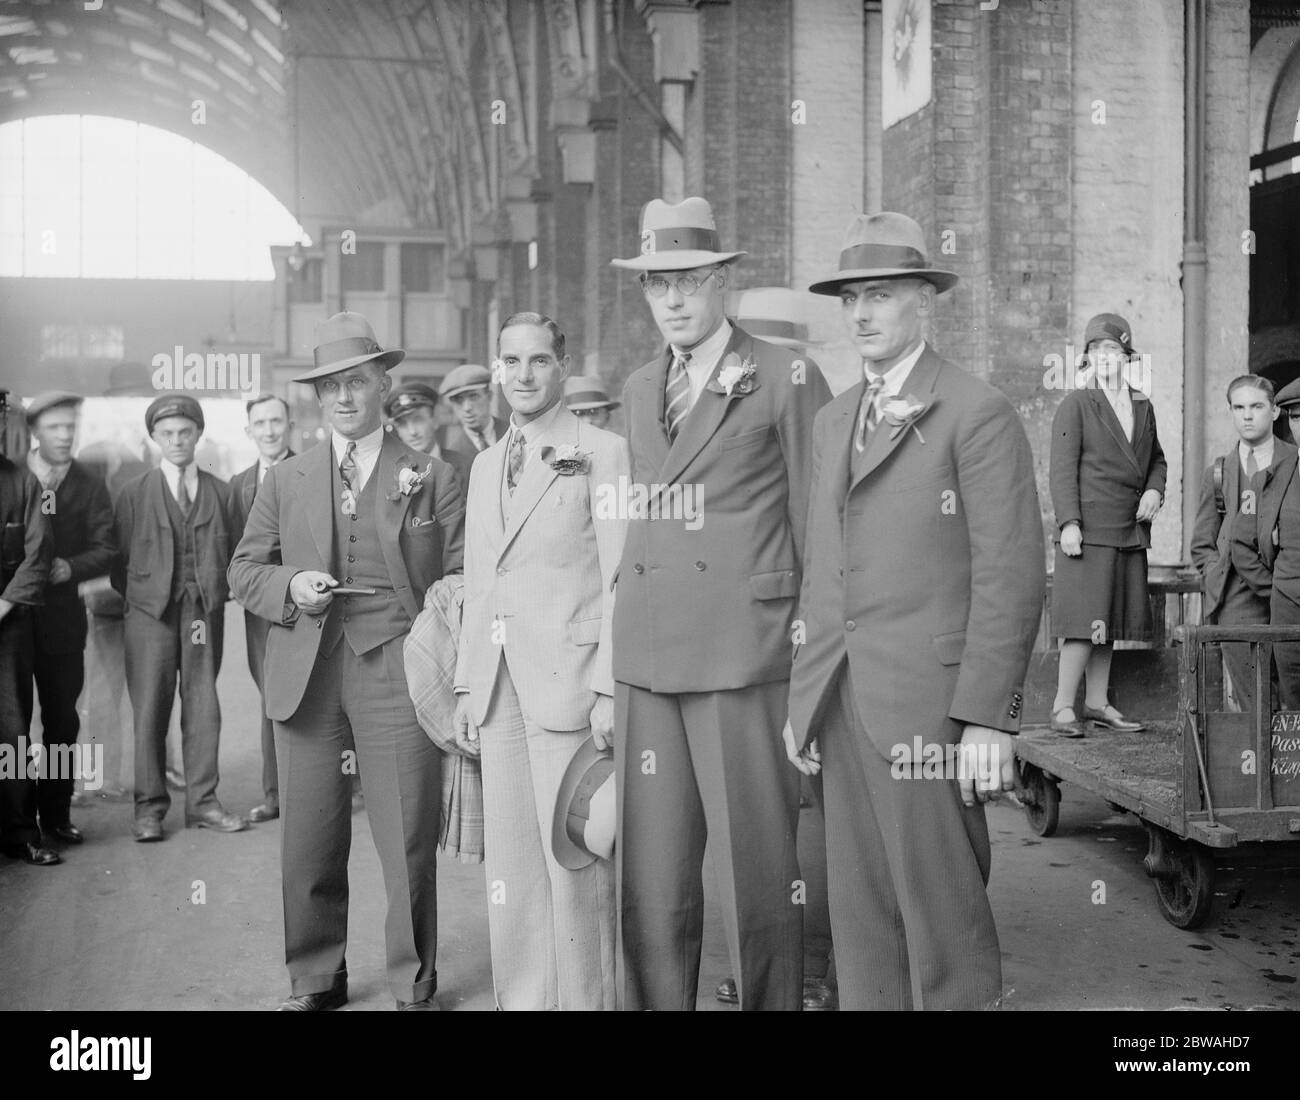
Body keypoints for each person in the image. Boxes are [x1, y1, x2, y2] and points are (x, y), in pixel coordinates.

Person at [785, 211, 1045, 1010]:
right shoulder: (833, 421)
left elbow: (1013, 574)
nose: (862, 313)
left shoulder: (975, 410)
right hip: (841, 707)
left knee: (944, 923)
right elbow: (822, 567)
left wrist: (991, 720)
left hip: (932, 713)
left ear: (922, 301)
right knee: (862, 925)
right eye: (851, 297)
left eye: (882, 295)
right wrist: (804, 699)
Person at [610, 196, 830, 1011]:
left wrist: (812, 670)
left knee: (757, 877)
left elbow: (820, 530)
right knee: (653, 875)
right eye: (656, 285)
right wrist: (611, 669)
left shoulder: (784, 375)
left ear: (720, 284)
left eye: (688, 281)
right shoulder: (639, 387)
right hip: (646, 655)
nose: (671, 301)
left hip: (746, 653)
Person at [228, 311, 465, 1011]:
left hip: (396, 668)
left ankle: (411, 980)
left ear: (381, 384)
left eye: (356, 381)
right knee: (308, 837)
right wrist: (291, 587)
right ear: (316, 395)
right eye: (329, 385)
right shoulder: (288, 478)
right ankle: (314, 977)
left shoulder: (433, 475)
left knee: (406, 837)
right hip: (307, 673)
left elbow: (460, 578)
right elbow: (244, 571)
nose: (342, 396)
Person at [452, 311, 628, 1010]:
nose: (523, 375)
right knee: (515, 868)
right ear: (498, 371)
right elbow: (479, 578)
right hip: (499, 687)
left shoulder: (601, 451)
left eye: (538, 362)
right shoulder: (488, 462)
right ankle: (524, 999)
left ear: (562, 367)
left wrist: (610, 686)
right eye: (511, 362)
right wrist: (467, 684)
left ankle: (588, 1002)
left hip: (570, 684)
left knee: (575, 860)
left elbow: (620, 573)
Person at [713, 284, 836, 1011]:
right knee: (759, 821)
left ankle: (818, 967)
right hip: (746, 643)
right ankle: (765, 964)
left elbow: (815, 524)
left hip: (797, 637)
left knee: (808, 813)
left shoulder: (797, 387)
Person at [112, 395, 245, 842]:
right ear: (154, 437)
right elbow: (119, 563)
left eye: (184, 432)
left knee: (204, 706)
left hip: (202, 612)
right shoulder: (132, 494)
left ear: (198, 435)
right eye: (167, 433)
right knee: (150, 708)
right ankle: (148, 808)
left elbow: (235, 554)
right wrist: (149, 594)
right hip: (149, 614)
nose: (176, 441)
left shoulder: (222, 492)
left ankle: (203, 802)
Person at [1048, 314, 1167, 736]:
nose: (1104, 358)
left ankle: (1097, 703)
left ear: (1126, 357)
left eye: (1112, 350)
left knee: (1108, 621)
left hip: (1128, 529)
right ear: (1087, 358)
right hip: (1089, 531)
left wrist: (1155, 490)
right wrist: (1069, 524)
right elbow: (1062, 470)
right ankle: (1064, 705)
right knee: (1083, 621)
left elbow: (1156, 460)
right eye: (1096, 350)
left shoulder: (1142, 404)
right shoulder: (1077, 404)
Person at [26, 392, 116, 845]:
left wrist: (70, 567)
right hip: (13, 624)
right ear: (34, 431)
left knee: (62, 720)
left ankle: (56, 816)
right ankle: (19, 823)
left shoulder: (89, 482)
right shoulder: (11, 477)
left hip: (62, 622)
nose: (64, 435)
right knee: (13, 724)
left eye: (70, 427)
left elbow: (106, 547)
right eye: (54, 427)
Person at [1190, 377, 1294, 715]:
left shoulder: (1294, 461)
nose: (1247, 416)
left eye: (1256, 406)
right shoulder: (1219, 472)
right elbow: (1202, 543)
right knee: (1255, 702)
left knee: (1292, 691)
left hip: (1285, 594)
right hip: (1236, 599)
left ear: (1275, 411)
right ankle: (1263, 764)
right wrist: (1216, 578)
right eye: (1239, 407)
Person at [226, 393, 295, 823]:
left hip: (310, 603)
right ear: (248, 431)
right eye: (261, 424)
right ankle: (276, 795)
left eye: (276, 421)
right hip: (260, 611)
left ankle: (332, 786)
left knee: (317, 696)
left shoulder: (316, 470)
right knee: (272, 698)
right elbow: (238, 549)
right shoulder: (239, 484)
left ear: (288, 425)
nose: (269, 431)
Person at [0, 387, 58, 865]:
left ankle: (21, 831)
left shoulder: (23, 484)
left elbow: (38, 556)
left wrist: (3, 604)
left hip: (8, 624)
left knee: (13, 729)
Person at [1230, 377, 1300, 708]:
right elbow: (1241, 537)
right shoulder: (1277, 472)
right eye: (1296, 417)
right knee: (1292, 695)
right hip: (1288, 602)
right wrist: (1275, 588)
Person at [385, 381, 472, 506]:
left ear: (435, 420)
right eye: (403, 424)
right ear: (397, 430)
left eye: (418, 420)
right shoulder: (389, 473)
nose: (412, 431)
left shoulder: (466, 466)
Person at [437, 364, 509, 458]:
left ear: (489, 396)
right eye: (459, 400)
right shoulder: (452, 455)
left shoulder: (513, 433)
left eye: (473, 396)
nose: (467, 408)